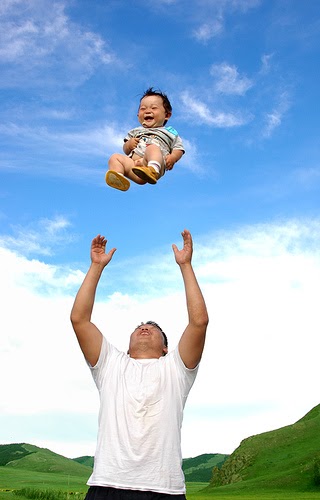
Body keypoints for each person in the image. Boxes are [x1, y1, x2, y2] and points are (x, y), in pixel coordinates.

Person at [70, 229, 209, 499]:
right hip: (108, 485)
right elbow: (80, 320)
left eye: (153, 327)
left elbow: (199, 322)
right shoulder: (111, 364)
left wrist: (186, 266)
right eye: (139, 327)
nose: (144, 328)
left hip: (163, 489)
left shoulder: (176, 369)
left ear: (166, 348)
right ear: (127, 346)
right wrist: (96, 267)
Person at [106, 88, 185, 191]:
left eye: (153, 108)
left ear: (167, 115)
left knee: (152, 148)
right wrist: (129, 145)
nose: (148, 111)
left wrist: (173, 158)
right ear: (138, 115)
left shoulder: (170, 133)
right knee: (115, 157)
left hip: (154, 164)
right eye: (143, 108)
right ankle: (118, 176)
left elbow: (179, 148)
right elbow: (126, 150)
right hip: (135, 167)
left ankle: (152, 169)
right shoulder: (136, 131)